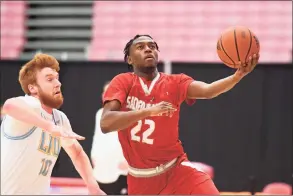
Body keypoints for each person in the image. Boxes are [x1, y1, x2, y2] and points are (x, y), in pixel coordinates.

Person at [100, 34, 259, 194]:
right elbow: (106, 123)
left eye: (152, 46)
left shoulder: (175, 82)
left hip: (177, 170)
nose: (148, 49)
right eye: (141, 47)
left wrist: (237, 76)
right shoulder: (123, 82)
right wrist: (149, 111)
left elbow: (208, 91)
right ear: (129, 59)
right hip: (141, 180)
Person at [1, 53, 105, 195]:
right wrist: (50, 127)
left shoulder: (59, 118)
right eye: (50, 79)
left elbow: (77, 153)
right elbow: (9, 107)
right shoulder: (30, 104)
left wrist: (93, 186)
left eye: (57, 78)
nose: (58, 83)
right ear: (33, 88)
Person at [91, 81, 128, 195]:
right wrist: (94, 155)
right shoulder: (99, 114)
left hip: (122, 168)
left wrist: (129, 161)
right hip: (102, 167)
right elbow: (97, 138)